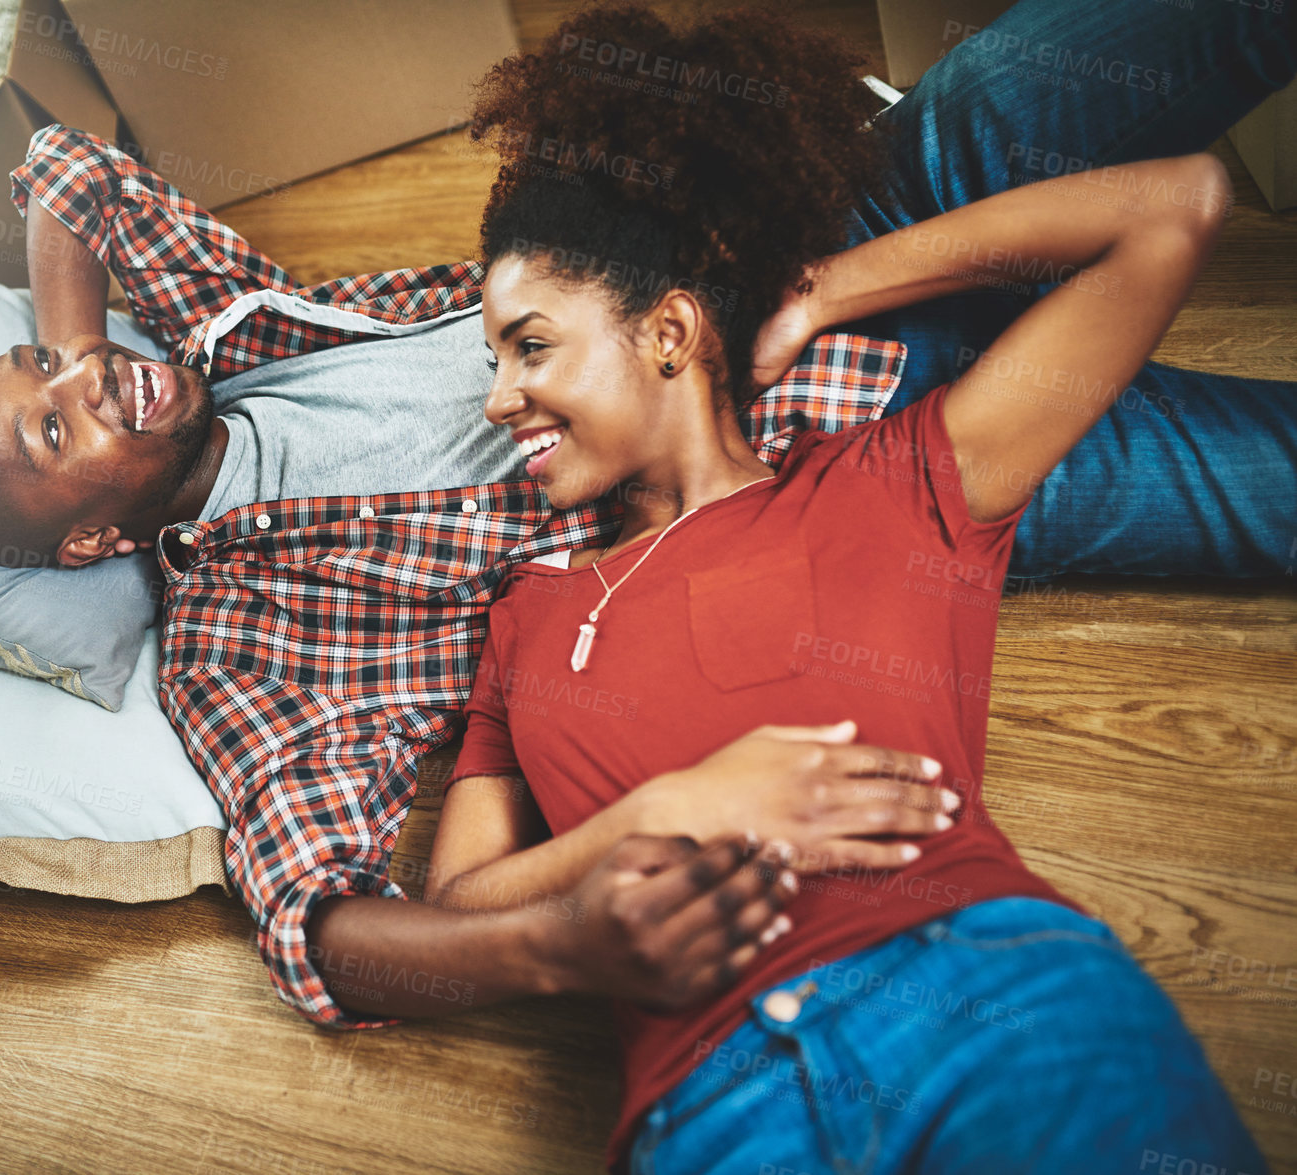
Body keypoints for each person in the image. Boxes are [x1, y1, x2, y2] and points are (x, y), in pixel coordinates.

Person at [0, 0, 1293, 1141]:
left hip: (843, 237)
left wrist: (822, 295)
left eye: (47, 358)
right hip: (911, 463)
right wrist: (565, 932)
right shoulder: (245, 643)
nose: (87, 378)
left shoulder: (231, 328)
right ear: (90, 539)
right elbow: (331, 931)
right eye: (52, 426)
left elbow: (68, 176)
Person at [422, 5, 1272, 1172]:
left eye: (528, 346)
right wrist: (666, 812)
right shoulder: (524, 611)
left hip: (993, 1010)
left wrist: (818, 292)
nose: (495, 401)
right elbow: (458, 908)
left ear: (667, 330)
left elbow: (1176, 205)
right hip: (711, 1107)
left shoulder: (894, 483)